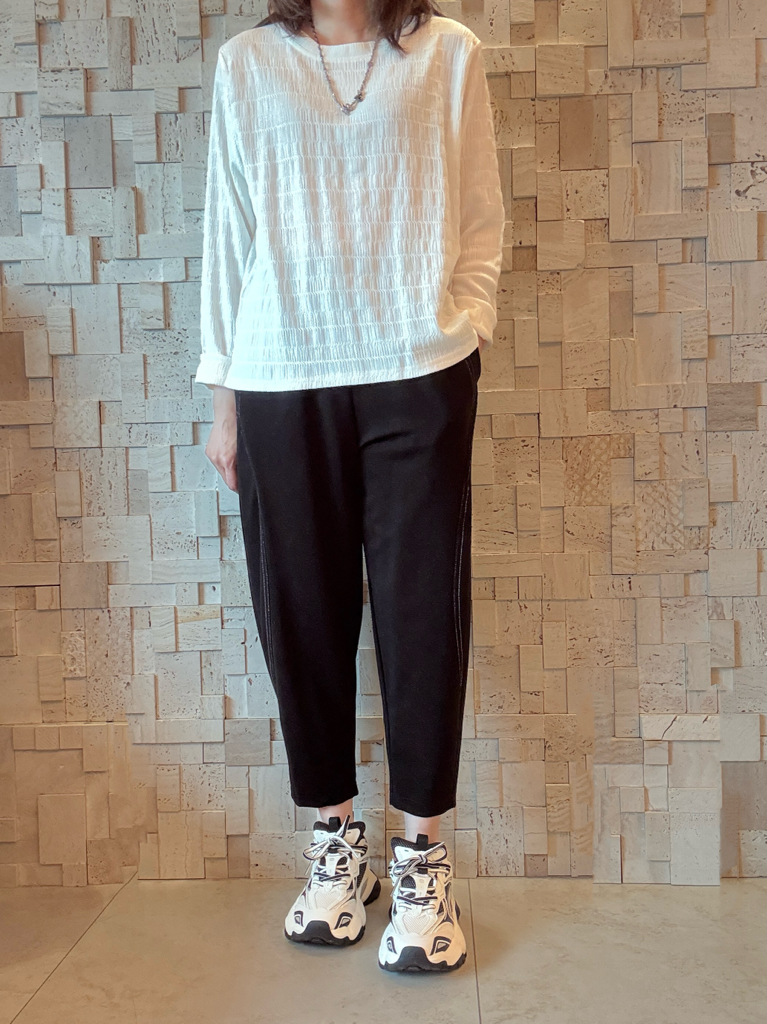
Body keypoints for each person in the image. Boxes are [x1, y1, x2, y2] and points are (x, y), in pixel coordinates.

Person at [196, 0, 505, 973]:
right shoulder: (247, 64)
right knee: (299, 613)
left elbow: (480, 216)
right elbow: (228, 233)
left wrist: (465, 336)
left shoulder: (447, 53)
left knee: (421, 614)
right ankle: (335, 846)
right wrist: (224, 401)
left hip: (416, 371)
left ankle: (421, 859)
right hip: (278, 374)